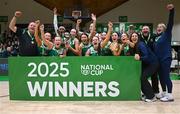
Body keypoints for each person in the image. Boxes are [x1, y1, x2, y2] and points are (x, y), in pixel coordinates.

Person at [154, 4, 175, 102]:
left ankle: (170, 94)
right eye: (158, 27)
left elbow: (170, 22)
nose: (158, 28)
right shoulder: (156, 38)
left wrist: (172, 11)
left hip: (165, 58)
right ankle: (164, 92)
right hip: (158, 60)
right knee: (161, 77)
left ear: (164, 29)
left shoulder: (167, 34)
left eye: (161, 27)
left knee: (166, 76)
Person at [140, 25, 166, 99]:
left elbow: (161, 35)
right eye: (144, 29)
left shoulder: (153, 36)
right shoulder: (139, 38)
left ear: (149, 30)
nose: (145, 30)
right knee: (143, 76)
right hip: (144, 60)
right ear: (142, 31)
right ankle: (145, 92)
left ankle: (156, 91)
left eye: (147, 29)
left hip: (153, 60)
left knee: (154, 77)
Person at [133, 32, 159, 102]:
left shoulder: (140, 44)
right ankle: (147, 94)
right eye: (132, 36)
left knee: (143, 78)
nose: (134, 37)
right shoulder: (136, 45)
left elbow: (146, 56)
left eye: (136, 36)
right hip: (148, 64)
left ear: (138, 37)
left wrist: (140, 58)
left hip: (153, 63)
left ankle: (152, 97)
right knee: (141, 78)